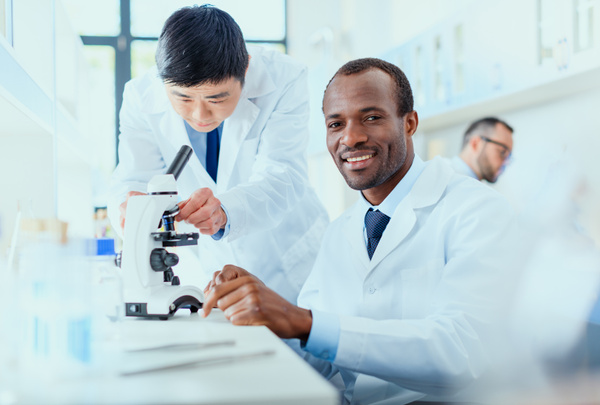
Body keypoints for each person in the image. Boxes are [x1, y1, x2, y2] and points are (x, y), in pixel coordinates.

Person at [201, 58, 518, 404]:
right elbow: (316, 358)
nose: (350, 137)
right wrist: (253, 314)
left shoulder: (477, 210)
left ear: (409, 123)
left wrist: (300, 320)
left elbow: (461, 352)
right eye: (336, 124)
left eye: (372, 117)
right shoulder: (340, 233)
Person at [107, 5, 328, 303]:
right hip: (208, 271)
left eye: (217, 98)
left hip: (287, 261)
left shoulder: (283, 78)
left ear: (245, 69)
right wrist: (128, 208)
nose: (200, 114)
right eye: (183, 98)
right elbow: (132, 178)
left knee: (302, 342)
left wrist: (226, 211)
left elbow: (284, 176)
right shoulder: (140, 96)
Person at [450, 117, 514, 183]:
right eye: (503, 152)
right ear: (475, 144)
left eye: (509, 156)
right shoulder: (442, 176)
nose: (507, 162)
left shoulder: (474, 186)